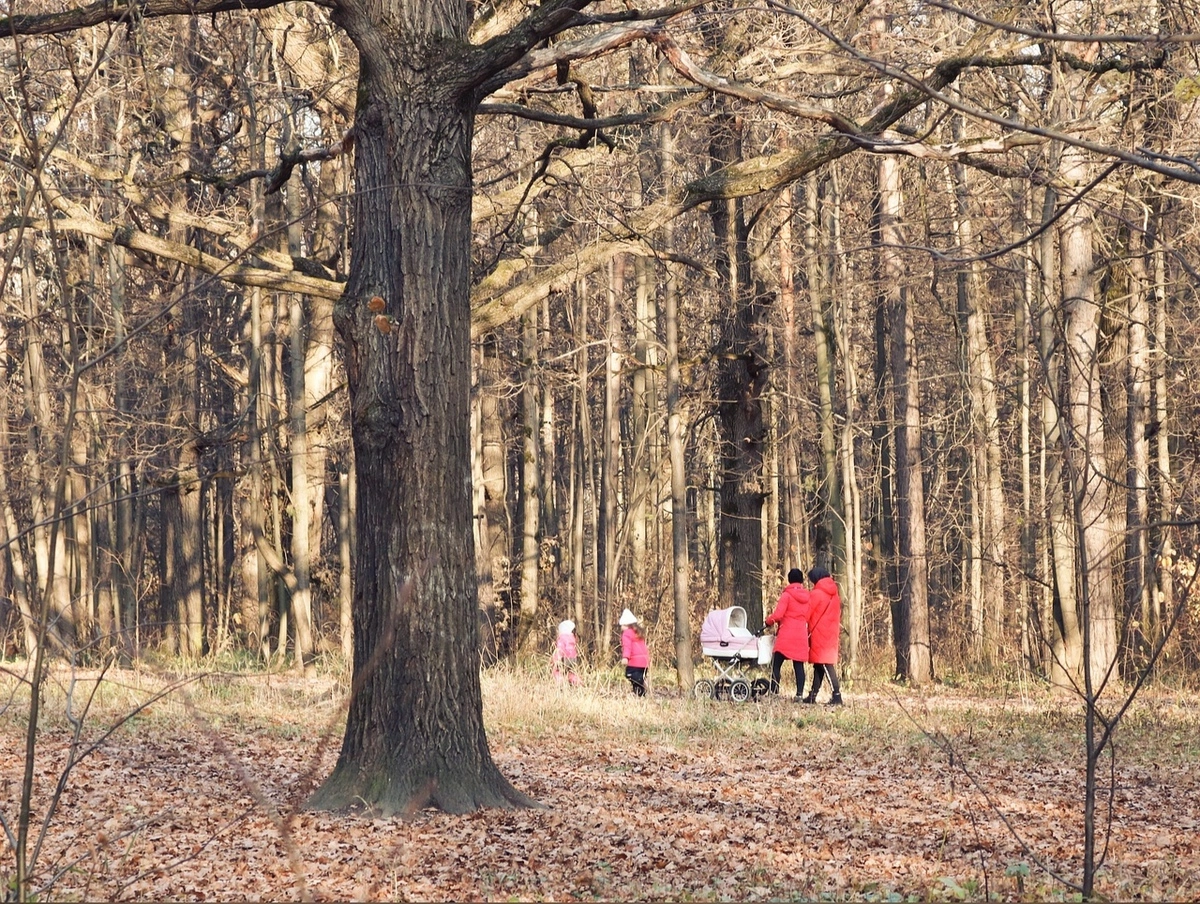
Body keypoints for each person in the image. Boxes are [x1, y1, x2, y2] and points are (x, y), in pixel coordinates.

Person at [764, 568, 811, 700]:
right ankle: (799, 694)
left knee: (776, 663)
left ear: (789, 580)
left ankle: (774, 692)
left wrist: (768, 621)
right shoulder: (808, 597)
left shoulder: (787, 595)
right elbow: (808, 616)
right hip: (800, 634)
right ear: (801, 580)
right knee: (798, 665)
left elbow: (778, 614)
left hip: (786, 634)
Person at [803, 566, 843, 705]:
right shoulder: (835, 594)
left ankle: (837, 695)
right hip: (831, 632)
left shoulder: (816, 594)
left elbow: (806, 614)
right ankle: (812, 695)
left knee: (826, 664)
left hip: (819, 633)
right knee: (819, 666)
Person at [618, 608, 649, 696]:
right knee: (637, 680)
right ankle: (641, 691)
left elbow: (627, 646)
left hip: (635, 662)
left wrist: (625, 657)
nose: (621, 627)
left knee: (629, 675)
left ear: (627, 625)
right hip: (644, 662)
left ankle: (641, 685)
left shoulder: (627, 633)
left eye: (622, 625)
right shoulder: (638, 633)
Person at [551, 619, 581, 687]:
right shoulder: (572, 638)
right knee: (571, 672)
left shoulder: (562, 638)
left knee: (558, 671)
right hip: (573, 659)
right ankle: (576, 682)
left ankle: (560, 683)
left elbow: (560, 649)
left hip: (563, 658)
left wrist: (555, 659)